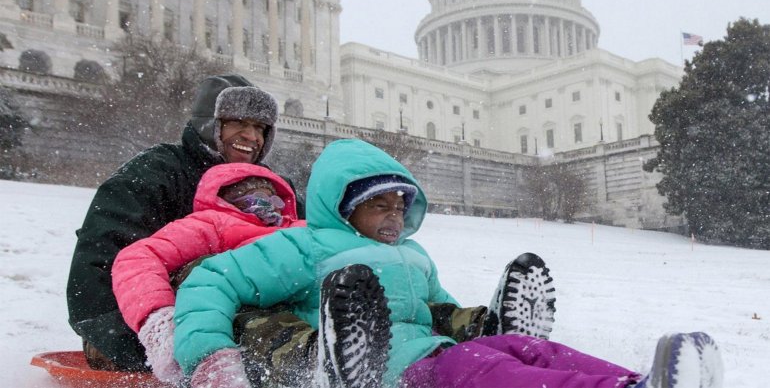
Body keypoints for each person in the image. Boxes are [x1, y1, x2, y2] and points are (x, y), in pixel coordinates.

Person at [173, 139, 723, 388]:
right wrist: (208, 356)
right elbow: (211, 280)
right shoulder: (307, 246)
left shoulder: (412, 255)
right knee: (484, 371)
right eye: (377, 206)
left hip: (429, 348)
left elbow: (435, 308)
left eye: (400, 206)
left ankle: (642, 379)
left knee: (518, 349)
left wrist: (473, 324)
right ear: (342, 207)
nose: (393, 217)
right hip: (377, 368)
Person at [66, 75, 305, 371]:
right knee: (211, 269)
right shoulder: (159, 171)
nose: (251, 136)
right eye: (239, 123)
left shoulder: (272, 190)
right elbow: (103, 249)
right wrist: (122, 335)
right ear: (211, 123)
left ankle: (307, 350)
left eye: (259, 128)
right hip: (146, 324)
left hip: (252, 315)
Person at [111, 162, 305, 383]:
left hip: (305, 297)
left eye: (275, 200)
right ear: (230, 201)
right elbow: (139, 257)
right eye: (258, 198)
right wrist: (159, 319)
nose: (270, 207)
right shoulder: (214, 223)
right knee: (264, 327)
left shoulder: (298, 228)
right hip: (244, 308)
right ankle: (306, 358)